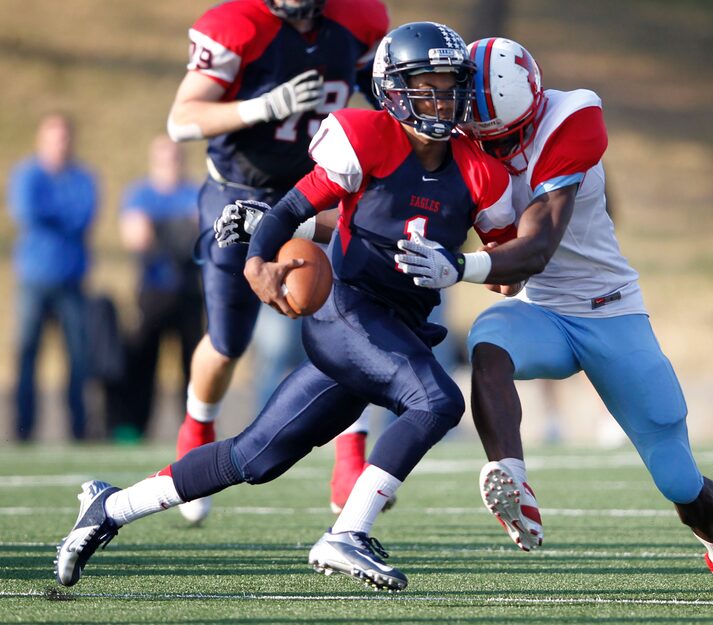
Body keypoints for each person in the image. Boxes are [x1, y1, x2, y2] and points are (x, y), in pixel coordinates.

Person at [54, 22, 516, 593]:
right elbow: (291, 206)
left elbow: (507, 267)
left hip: (396, 328)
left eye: (450, 84)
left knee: (256, 457)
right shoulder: (368, 136)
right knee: (437, 400)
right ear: (394, 89)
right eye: (427, 83)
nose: (442, 97)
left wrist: (470, 268)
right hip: (347, 311)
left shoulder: (481, 170)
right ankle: (349, 533)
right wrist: (257, 260)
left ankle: (110, 507)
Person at [395, 37, 713, 600]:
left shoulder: (572, 117)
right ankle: (514, 479)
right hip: (544, 311)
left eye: (503, 136)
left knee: (679, 479)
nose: (492, 145)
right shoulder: (463, 138)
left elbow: (538, 247)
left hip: (610, 312)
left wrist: (459, 266)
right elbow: (510, 278)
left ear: (525, 115)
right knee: (489, 339)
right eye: (483, 133)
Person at [165, 0, 388, 522]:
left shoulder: (359, 18)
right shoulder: (237, 25)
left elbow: (385, 102)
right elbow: (182, 119)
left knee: (353, 317)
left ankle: (350, 457)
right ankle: (197, 427)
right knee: (226, 343)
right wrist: (263, 106)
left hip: (316, 189)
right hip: (237, 194)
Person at [7, 113, 98, 441]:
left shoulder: (83, 178)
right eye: (54, 137)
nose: (60, 143)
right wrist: (60, 214)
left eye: (64, 137)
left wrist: (52, 214)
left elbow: (83, 216)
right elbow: (27, 212)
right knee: (28, 353)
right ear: (41, 140)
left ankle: (78, 428)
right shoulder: (27, 175)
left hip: (72, 280)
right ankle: (23, 428)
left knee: (77, 357)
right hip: (34, 279)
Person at [115, 135, 203, 441]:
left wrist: (160, 229)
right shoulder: (140, 194)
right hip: (152, 292)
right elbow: (136, 236)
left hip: (190, 292)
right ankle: (132, 430)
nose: (170, 163)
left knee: (193, 366)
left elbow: (203, 232)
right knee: (141, 361)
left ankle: (193, 433)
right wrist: (180, 230)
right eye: (164, 157)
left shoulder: (196, 193)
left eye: (175, 156)